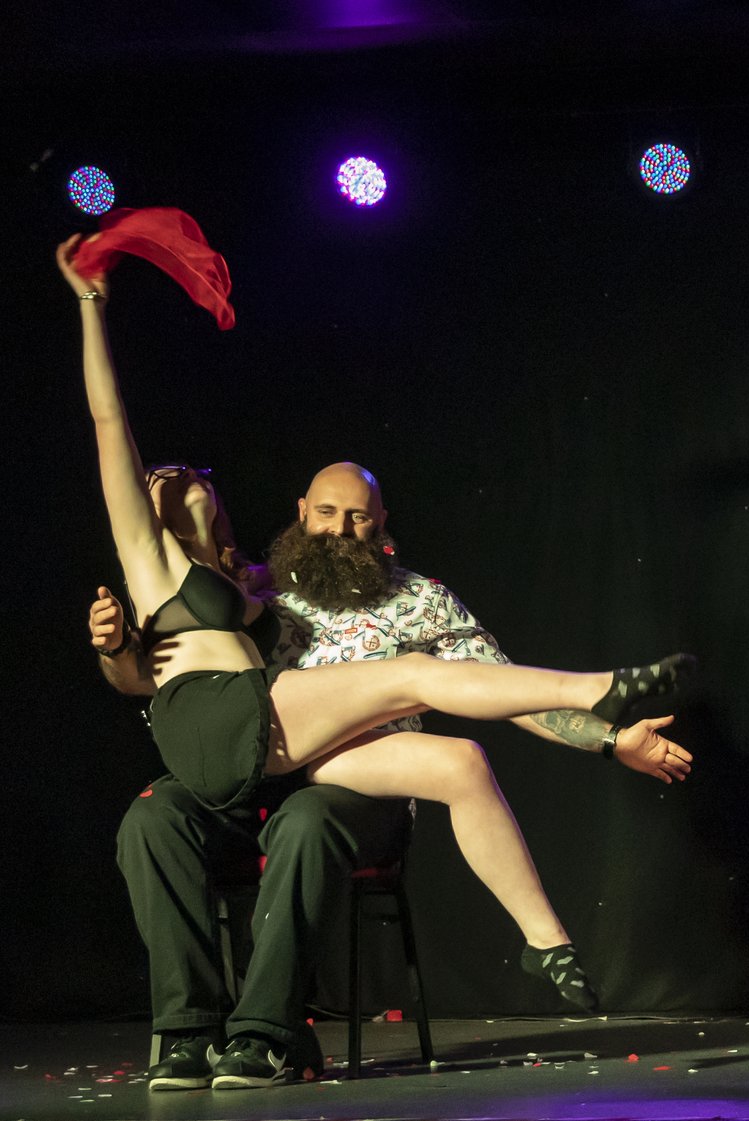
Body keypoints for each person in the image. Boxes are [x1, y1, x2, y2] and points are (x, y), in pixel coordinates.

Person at [60, 236, 692, 1088]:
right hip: (249, 763)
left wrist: (609, 741)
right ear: (301, 513)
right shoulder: (260, 589)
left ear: (382, 522)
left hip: (349, 790)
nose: (340, 528)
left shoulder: (420, 601)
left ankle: (268, 1031)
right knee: (152, 819)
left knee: (400, 778)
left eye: (357, 516)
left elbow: (504, 694)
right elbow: (153, 673)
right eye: (327, 513)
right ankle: (186, 1031)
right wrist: (114, 648)